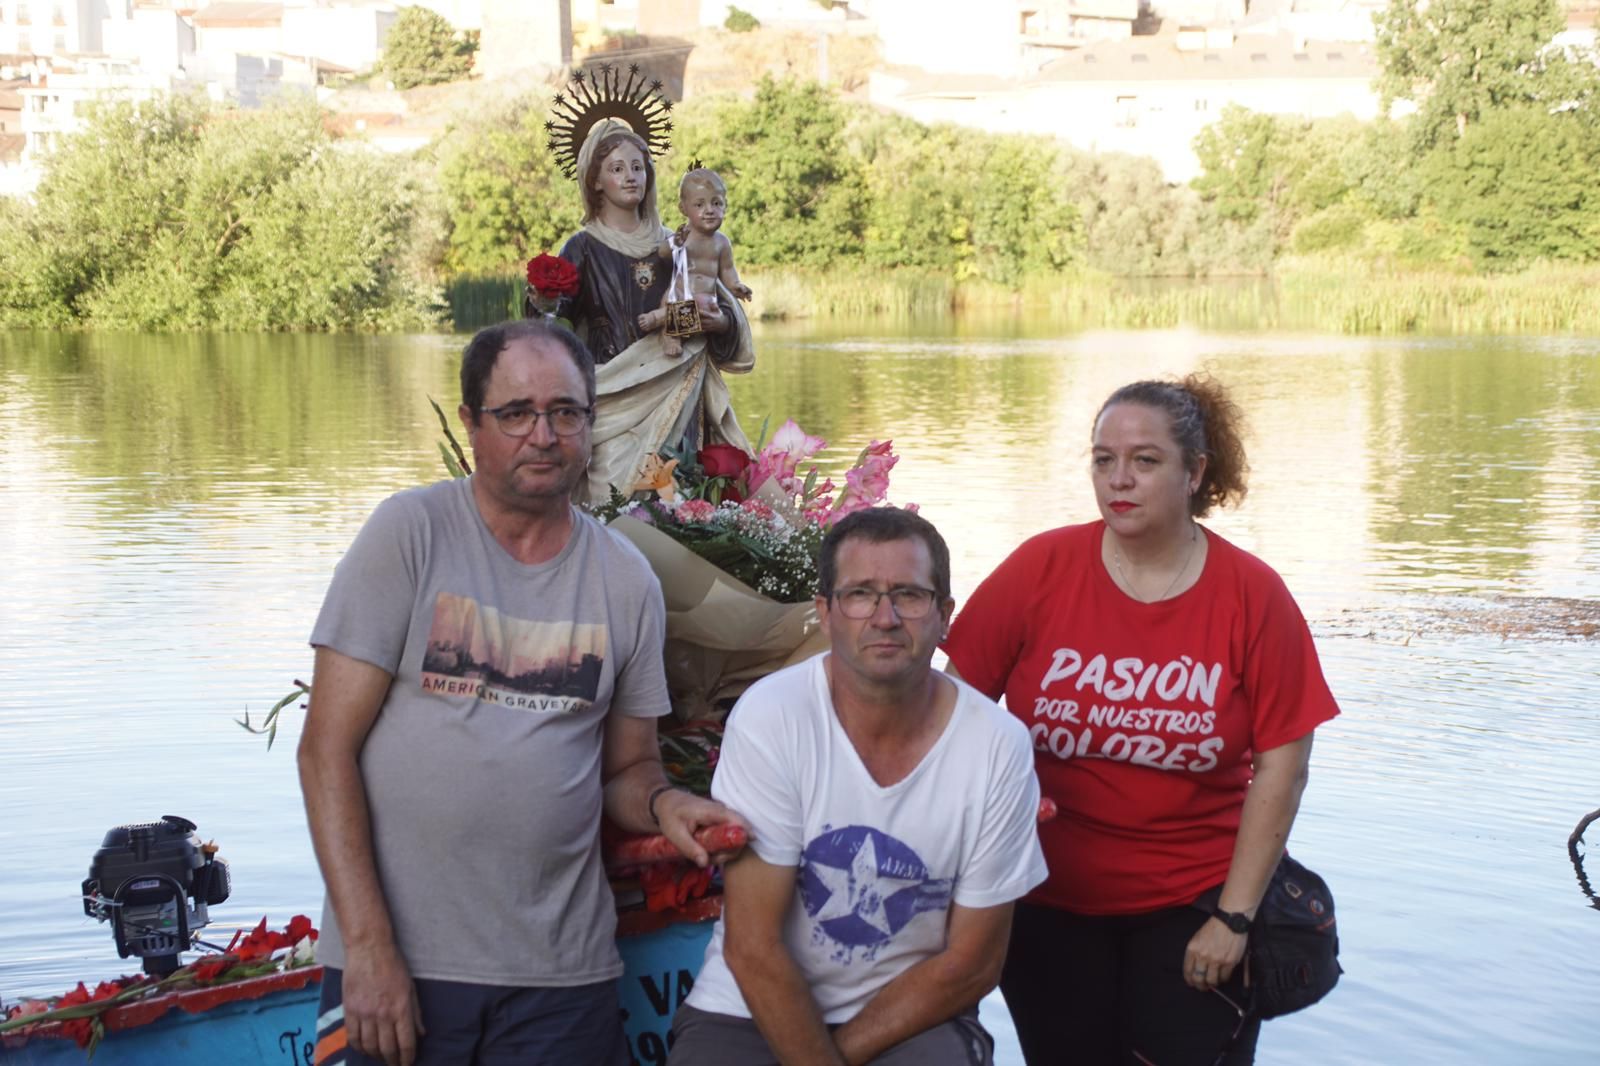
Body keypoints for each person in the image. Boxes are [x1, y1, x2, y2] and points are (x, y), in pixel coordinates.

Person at [297, 319, 744, 1066]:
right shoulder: (409, 536)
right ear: (472, 423)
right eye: (517, 413)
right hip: (396, 968)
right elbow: (324, 753)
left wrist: (668, 804)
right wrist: (368, 949)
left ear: (592, 425)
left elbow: (627, 770)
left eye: (566, 412)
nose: (544, 434)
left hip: (561, 981)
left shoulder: (625, 580)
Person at [943, 375, 1341, 1066]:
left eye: (1145, 460)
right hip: (1043, 902)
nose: (1118, 480)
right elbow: (951, 712)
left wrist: (1235, 917)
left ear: (1195, 472)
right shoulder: (1042, 567)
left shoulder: (1252, 595)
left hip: (1195, 908)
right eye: (1103, 460)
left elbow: (1284, 762)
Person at [668, 507, 1048, 1066]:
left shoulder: (997, 745)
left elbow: (971, 964)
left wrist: (831, 1058)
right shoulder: (773, 715)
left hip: (911, 1010)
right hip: (745, 1007)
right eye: (860, 594)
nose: (885, 617)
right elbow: (753, 948)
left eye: (909, 595)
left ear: (945, 615)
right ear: (824, 612)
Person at [551, 121, 756, 505]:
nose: (630, 177)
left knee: (675, 498)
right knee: (610, 499)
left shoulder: (679, 243)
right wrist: (541, 301)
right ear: (594, 181)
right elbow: (549, 330)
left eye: (637, 167)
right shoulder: (582, 248)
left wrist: (722, 321)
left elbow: (721, 307)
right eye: (616, 169)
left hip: (676, 388)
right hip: (611, 391)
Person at [638, 168, 753, 358]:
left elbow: (727, 271)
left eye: (716, 203)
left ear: (725, 206)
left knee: (705, 310)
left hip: (705, 300)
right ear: (683, 209)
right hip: (680, 294)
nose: (709, 210)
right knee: (682, 305)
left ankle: (666, 324)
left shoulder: (722, 243)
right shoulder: (684, 237)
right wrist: (676, 243)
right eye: (699, 205)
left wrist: (736, 287)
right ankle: (666, 329)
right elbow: (663, 253)